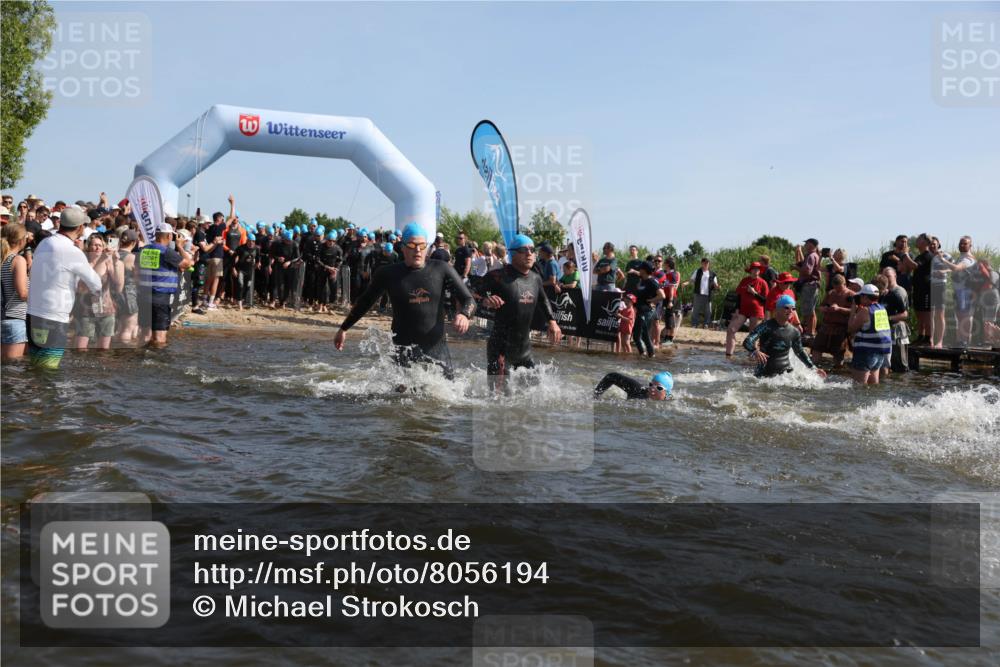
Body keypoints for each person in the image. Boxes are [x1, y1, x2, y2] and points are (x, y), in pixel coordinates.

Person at [335, 223, 474, 380]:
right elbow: (365, 302)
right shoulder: (388, 273)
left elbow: (469, 299)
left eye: (422, 245)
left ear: (427, 247)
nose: (417, 250)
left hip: (437, 351)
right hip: (403, 351)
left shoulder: (441, 269)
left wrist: (464, 314)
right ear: (403, 247)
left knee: (446, 399)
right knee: (399, 402)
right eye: (412, 245)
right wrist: (343, 328)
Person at [477, 234, 562, 391]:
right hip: (500, 351)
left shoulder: (535, 279)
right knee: (498, 401)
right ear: (512, 254)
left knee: (534, 395)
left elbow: (544, 301)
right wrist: (485, 300)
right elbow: (473, 294)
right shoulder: (498, 276)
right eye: (523, 250)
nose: (529, 253)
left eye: (532, 249)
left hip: (524, 351)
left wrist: (552, 322)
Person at [25, 207, 102, 368]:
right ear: (80, 227)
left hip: (33, 314)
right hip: (54, 317)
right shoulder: (72, 251)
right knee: (48, 370)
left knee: (35, 366)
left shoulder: (44, 243)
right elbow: (96, 283)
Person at [744, 295, 827, 379]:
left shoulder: (794, 331)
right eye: (787, 307)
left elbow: (800, 352)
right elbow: (747, 341)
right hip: (764, 374)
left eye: (793, 309)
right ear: (777, 310)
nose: (791, 311)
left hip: (785, 376)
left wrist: (814, 368)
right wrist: (755, 351)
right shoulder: (766, 326)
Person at [137, 223, 193, 347]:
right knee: (160, 337)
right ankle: (157, 363)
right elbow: (188, 264)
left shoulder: (143, 250)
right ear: (168, 236)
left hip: (144, 297)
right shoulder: (167, 252)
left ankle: (140, 360)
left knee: (144, 334)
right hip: (160, 298)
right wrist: (180, 246)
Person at [74, 233, 123, 350]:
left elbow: (118, 284)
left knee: (103, 350)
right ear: (88, 247)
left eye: (100, 245)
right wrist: (101, 260)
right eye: (94, 245)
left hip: (106, 309)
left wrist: (116, 262)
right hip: (86, 309)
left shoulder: (108, 263)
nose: (97, 248)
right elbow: (82, 288)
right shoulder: (84, 264)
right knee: (80, 348)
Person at [933, 235, 976, 348]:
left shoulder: (968, 259)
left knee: (965, 316)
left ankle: (965, 341)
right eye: (960, 243)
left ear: (970, 246)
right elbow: (955, 268)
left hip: (966, 291)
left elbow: (957, 268)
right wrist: (945, 270)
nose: (962, 245)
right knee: (960, 316)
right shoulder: (961, 256)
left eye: (965, 243)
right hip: (959, 290)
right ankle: (960, 340)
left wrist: (943, 260)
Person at [848, 284, 892, 385]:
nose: (859, 299)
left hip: (865, 353)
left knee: (858, 387)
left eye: (860, 296)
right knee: (873, 386)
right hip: (879, 353)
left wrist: (853, 311)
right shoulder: (882, 309)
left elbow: (851, 329)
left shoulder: (865, 311)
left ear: (865, 297)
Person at [725, 262, 769, 357]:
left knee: (752, 336)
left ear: (760, 271)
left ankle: (752, 357)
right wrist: (736, 309)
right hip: (743, 310)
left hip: (756, 311)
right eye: (754, 269)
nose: (755, 271)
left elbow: (766, 300)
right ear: (750, 270)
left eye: (757, 269)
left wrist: (754, 293)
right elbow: (738, 297)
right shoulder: (744, 280)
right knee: (730, 329)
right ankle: (728, 355)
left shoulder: (763, 283)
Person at [811, 273, 853, 369]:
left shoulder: (851, 295)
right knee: (817, 348)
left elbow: (855, 312)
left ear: (844, 284)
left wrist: (839, 309)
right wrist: (824, 309)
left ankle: (838, 371)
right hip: (826, 326)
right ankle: (813, 369)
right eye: (835, 287)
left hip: (840, 328)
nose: (837, 290)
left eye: (839, 288)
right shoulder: (831, 293)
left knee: (838, 353)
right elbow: (821, 306)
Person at [1, 223, 30, 359]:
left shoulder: (2, 259)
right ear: (21, 240)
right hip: (14, 318)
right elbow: (22, 292)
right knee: (13, 369)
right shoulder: (17, 260)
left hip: (3, 317)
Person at [879, 267, 910, 374]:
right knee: (887, 363)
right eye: (884, 276)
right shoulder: (883, 293)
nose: (886, 279)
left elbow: (905, 314)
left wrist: (888, 318)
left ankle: (901, 386)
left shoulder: (899, 291)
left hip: (897, 331)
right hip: (885, 330)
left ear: (895, 276)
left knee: (900, 363)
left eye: (888, 276)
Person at [632, 261, 664, 358]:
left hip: (646, 312)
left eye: (640, 268)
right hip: (640, 310)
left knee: (636, 336)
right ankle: (651, 355)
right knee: (645, 336)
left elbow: (662, 295)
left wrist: (651, 300)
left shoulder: (652, 281)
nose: (639, 270)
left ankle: (643, 354)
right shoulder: (642, 280)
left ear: (644, 270)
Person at [791, 238, 822, 336]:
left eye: (807, 243)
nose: (805, 245)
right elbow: (801, 263)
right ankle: (810, 332)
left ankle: (810, 332)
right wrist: (798, 252)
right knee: (810, 310)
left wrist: (795, 268)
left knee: (809, 310)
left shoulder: (811, 256)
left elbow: (807, 271)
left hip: (809, 285)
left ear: (811, 245)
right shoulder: (812, 255)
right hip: (812, 285)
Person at [928, 236, 953, 349]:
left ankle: (940, 341)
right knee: (931, 314)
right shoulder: (928, 256)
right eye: (931, 243)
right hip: (929, 286)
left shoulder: (945, 255)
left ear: (938, 244)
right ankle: (931, 340)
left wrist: (944, 270)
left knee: (940, 314)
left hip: (941, 286)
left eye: (934, 243)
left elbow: (954, 268)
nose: (932, 245)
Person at [116, 230, 140, 343]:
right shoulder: (132, 258)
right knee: (127, 329)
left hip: (111, 292)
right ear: (134, 242)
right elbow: (138, 277)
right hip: (128, 293)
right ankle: (124, 356)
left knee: (116, 328)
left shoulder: (112, 254)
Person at [681, 257, 719, 328]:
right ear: (701, 263)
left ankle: (706, 324)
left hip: (708, 295)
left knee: (708, 310)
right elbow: (691, 280)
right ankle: (694, 324)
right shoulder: (697, 271)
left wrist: (717, 286)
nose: (705, 264)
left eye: (707, 263)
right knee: (696, 310)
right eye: (704, 262)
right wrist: (685, 283)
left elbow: (715, 284)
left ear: (709, 264)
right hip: (698, 293)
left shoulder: (712, 273)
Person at [910, 233, 934, 344]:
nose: (916, 240)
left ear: (924, 242)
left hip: (926, 290)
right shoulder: (919, 256)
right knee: (919, 313)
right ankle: (921, 336)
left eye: (919, 239)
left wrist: (905, 255)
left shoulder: (927, 255)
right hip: (918, 288)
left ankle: (929, 338)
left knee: (926, 314)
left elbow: (915, 266)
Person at [314, 229, 343, 313]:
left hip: (332, 271)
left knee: (332, 289)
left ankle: (326, 305)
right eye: (330, 241)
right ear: (327, 240)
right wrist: (327, 267)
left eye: (333, 241)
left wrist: (336, 269)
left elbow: (340, 260)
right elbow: (317, 259)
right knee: (321, 288)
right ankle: (320, 305)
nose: (331, 242)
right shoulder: (321, 247)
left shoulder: (337, 248)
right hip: (322, 269)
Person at [594, 370, 673, 400]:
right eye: (651, 385)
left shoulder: (671, 404)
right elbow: (611, 376)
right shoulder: (637, 390)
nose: (652, 389)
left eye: (659, 388)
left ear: (667, 393)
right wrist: (596, 396)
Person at [661, 257, 681, 345]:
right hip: (666, 297)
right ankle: (666, 337)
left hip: (671, 298)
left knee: (670, 318)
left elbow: (672, 288)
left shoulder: (672, 274)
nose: (663, 264)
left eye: (664, 263)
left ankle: (669, 338)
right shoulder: (667, 273)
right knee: (667, 317)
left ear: (668, 264)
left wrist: (670, 301)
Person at [234, 233, 258, 310]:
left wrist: (258, 263)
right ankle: (239, 304)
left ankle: (241, 299)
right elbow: (233, 258)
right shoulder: (241, 248)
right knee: (240, 285)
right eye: (250, 241)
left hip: (250, 270)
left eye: (253, 241)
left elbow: (258, 257)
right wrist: (233, 268)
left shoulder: (256, 249)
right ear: (247, 240)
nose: (251, 243)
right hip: (241, 269)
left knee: (247, 286)